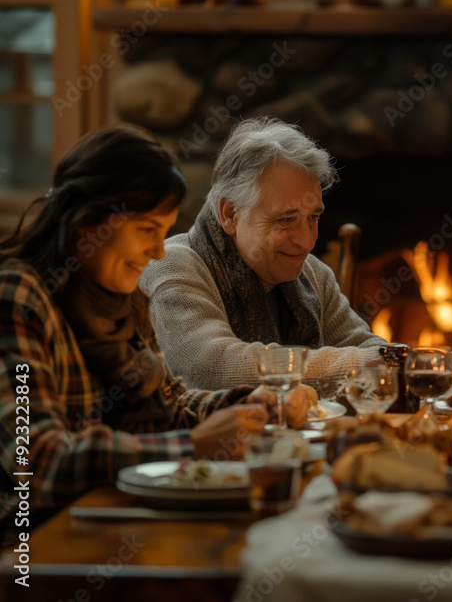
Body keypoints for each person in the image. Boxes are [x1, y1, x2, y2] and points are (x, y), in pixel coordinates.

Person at [0, 125, 311, 534]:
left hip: (115, 519)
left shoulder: (123, 302)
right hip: (34, 546)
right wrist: (192, 446)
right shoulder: (19, 297)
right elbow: (36, 460)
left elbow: (170, 406)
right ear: (87, 222)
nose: (158, 251)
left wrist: (247, 403)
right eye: (147, 230)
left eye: (162, 233)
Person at [140, 118, 387, 391]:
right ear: (230, 214)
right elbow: (212, 369)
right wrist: (364, 364)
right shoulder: (172, 265)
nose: (307, 242)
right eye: (286, 219)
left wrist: (382, 360)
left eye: (313, 217)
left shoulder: (313, 273)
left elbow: (370, 348)